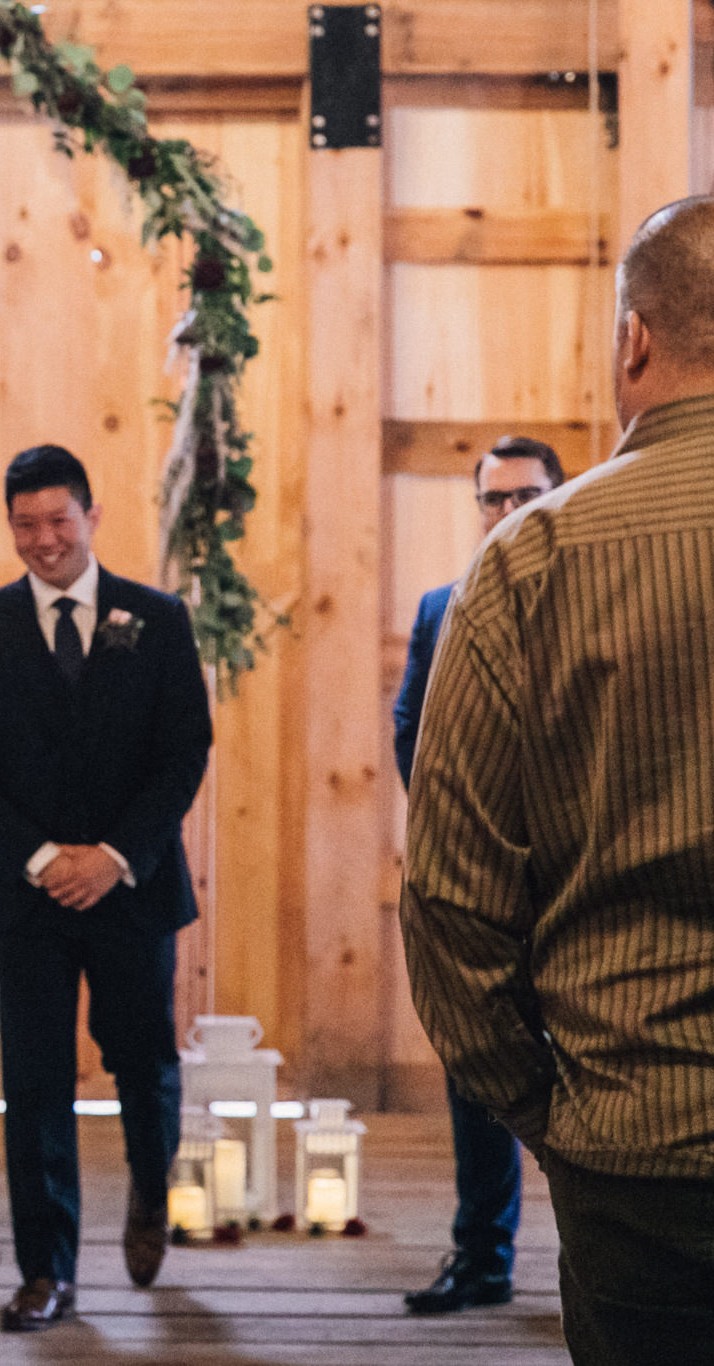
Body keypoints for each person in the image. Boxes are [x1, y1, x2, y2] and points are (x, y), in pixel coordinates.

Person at [400, 195, 714, 1366]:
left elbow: (447, 904)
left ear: (631, 339)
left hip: (630, 1148)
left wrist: (546, 1114)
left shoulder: (529, 562)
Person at [0, 444, 213, 1329]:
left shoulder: (156, 619)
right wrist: (43, 858)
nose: (44, 539)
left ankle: (148, 1189)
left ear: (91, 517)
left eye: (59, 520)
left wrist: (113, 857)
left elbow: (182, 754)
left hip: (133, 888)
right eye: (26, 524)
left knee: (145, 1063)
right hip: (30, 900)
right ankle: (45, 1270)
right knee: (37, 1080)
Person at [390, 433, 564, 1316]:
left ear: (557, 495)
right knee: (479, 1078)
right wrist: (471, 841)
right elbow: (412, 733)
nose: (507, 513)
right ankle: (483, 1257)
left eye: (525, 495)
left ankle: (595, 1261)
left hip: (577, 881)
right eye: (492, 500)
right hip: (485, 886)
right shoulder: (438, 606)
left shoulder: (591, 590)